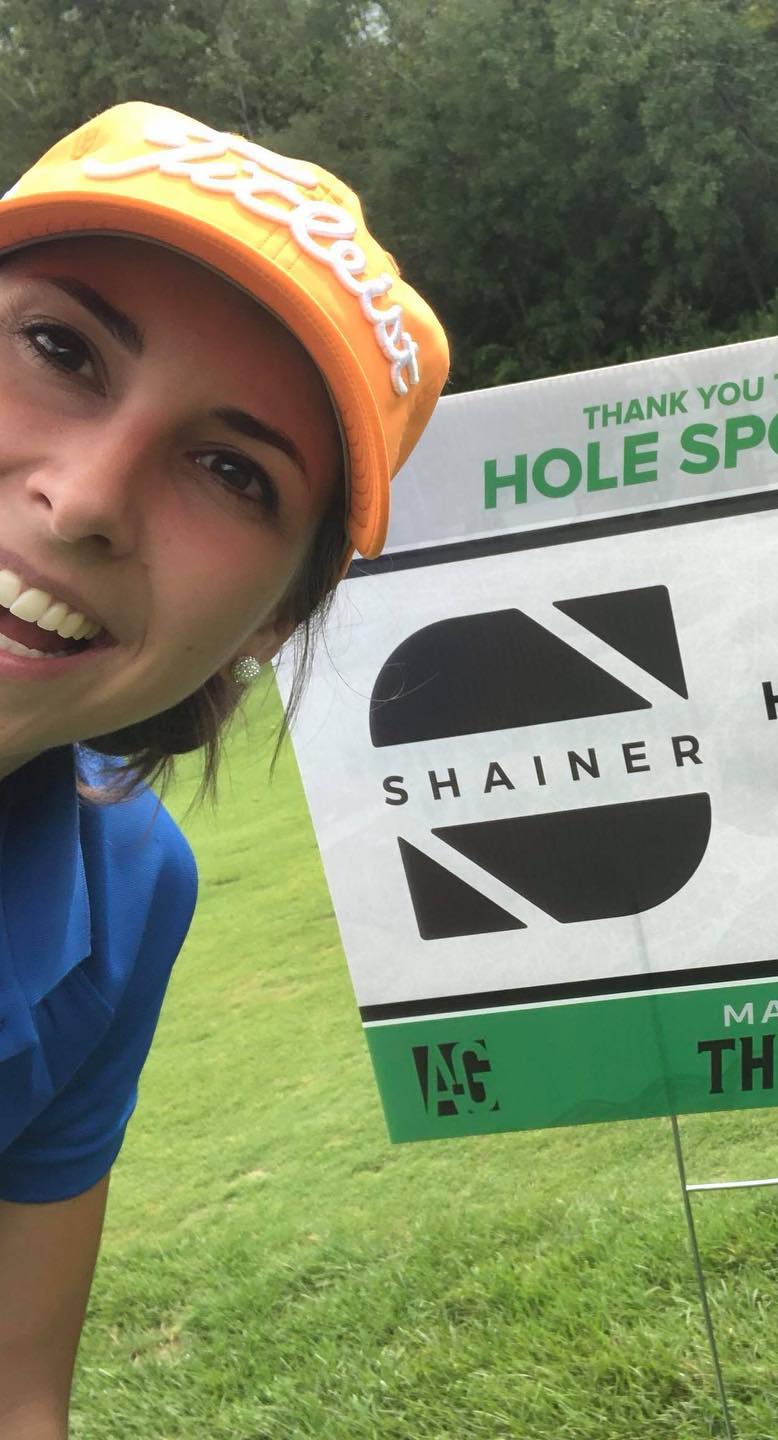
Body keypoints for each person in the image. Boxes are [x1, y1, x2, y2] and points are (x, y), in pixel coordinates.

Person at [0, 102, 449, 1437]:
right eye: (58, 348)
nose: (89, 499)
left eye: (229, 471)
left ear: (269, 623)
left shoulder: (126, 895)